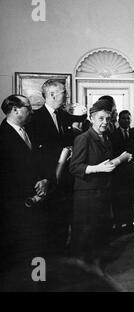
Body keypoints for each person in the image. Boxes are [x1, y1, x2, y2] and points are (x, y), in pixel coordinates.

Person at [27, 79, 86, 255]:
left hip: (67, 179)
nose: (66, 96)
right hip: (47, 180)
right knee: (47, 225)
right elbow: (34, 155)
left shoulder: (65, 117)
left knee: (64, 221)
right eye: (64, 93)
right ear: (52, 94)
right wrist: (45, 177)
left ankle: (61, 257)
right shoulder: (34, 119)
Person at [0, 95, 49, 285]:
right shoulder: (3, 136)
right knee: (19, 249)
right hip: (17, 206)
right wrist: (28, 198)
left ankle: (39, 281)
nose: (32, 110)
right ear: (15, 110)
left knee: (38, 245)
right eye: (28, 107)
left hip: (38, 201)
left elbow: (40, 161)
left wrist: (45, 180)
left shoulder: (29, 132)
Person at [69, 100, 117, 274]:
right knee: (85, 232)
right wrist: (97, 168)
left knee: (99, 229)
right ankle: (81, 269)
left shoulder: (106, 138)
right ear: (91, 118)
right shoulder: (83, 138)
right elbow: (74, 167)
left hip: (102, 190)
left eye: (108, 119)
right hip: (87, 194)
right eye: (101, 118)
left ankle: (95, 264)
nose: (105, 122)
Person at [110, 110, 134, 235]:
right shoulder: (113, 134)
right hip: (118, 173)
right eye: (123, 118)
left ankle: (129, 223)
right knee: (118, 199)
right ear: (119, 120)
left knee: (130, 198)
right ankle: (118, 224)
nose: (126, 120)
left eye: (128, 118)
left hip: (131, 172)